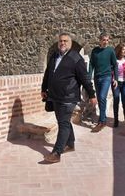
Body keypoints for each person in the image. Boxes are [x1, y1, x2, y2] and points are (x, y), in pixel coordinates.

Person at [41, 32, 97, 163]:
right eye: (61, 41)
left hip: (69, 97)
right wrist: (44, 89)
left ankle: (56, 152)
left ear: (70, 43)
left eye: (65, 41)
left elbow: (85, 78)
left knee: (63, 123)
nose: (62, 43)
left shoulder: (76, 58)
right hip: (55, 96)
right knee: (63, 121)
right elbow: (48, 73)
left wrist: (92, 94)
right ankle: (70, 144)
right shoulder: (54, 56)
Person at [89, 32, 118, 132]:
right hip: (97, 77)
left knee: (102, 97)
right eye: (104, 40)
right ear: (100, 40)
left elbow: (115, 65)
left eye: (107, 40)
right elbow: (91, 64)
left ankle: (101, 121)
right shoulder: (95, 51)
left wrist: (116, 79)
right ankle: (103, 119)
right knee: (100, 99)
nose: (106, 42)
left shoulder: (110, 51)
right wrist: (89, 77)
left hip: (107, 77)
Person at [112, 43, 125, 127]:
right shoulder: (114, 60)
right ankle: (116, 119)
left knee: (124, 98)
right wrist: (113, 79)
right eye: (122, 50)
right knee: (116, 100)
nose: (124, 51)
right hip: (116, 83)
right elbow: (111, 71)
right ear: (119, 51)